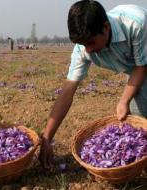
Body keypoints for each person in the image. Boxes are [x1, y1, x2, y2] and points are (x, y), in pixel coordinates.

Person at [40, 0, 147, 169]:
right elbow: (67, 91)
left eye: (90, 43)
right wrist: (47, 137)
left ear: (105, 27)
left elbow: (142, 66)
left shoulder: (136, 24)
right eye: (82, 44)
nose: (87, 50)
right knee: (138, 120)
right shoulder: (82, 49)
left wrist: (123, 100)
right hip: (139, 67)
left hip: (143, 61)